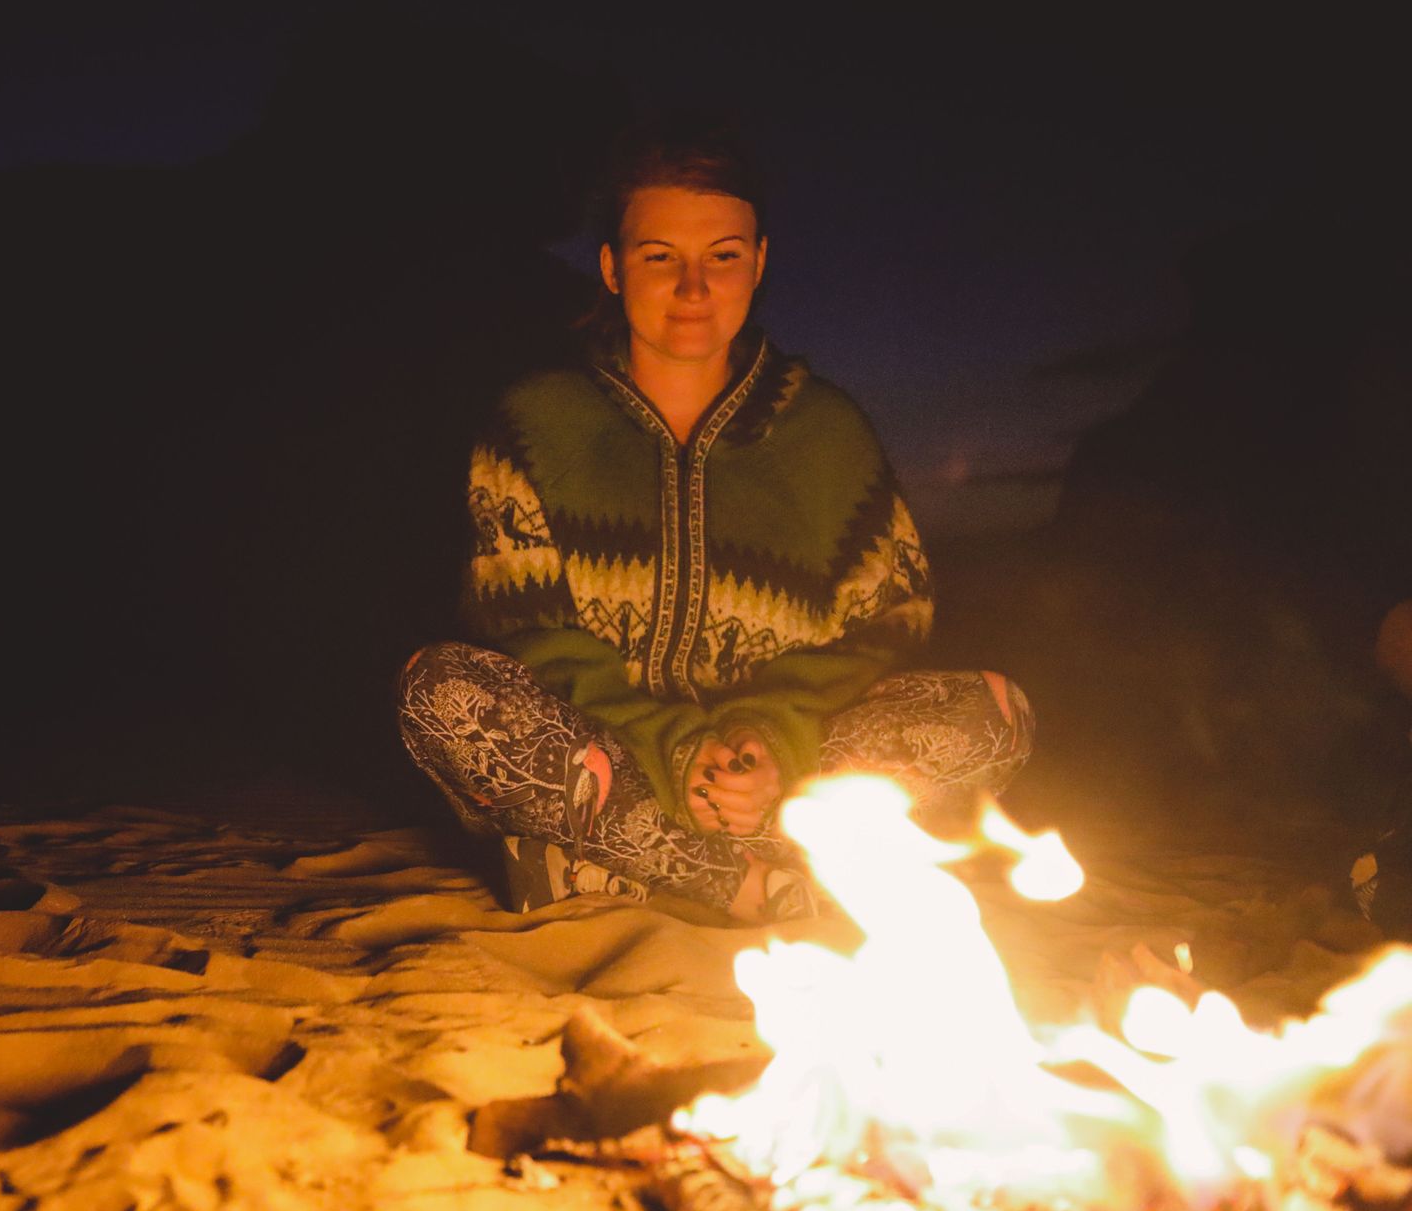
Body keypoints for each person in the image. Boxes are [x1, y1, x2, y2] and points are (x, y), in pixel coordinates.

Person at [396, 116, 1034, 922]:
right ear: (613, 269)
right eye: (660, 257)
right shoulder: (534, 422)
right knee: (439, 689)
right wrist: (676, 751)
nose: (693, 289)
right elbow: (526, 627)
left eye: (722, 257)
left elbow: (891, 619)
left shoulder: (827, 432)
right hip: (613, 759)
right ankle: (743, 881)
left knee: (996, 712)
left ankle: (623, 866)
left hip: (782, 773)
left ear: (758, 262)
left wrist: (772, 738)